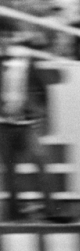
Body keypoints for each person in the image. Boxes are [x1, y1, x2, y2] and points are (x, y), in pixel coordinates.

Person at [0, 18, 62, 221]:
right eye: (3, 36)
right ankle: (14, 213)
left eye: (8, 36)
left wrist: (39, 112)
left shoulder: (26, 60)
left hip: (26, 124)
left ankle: (52, 211)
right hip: (4, 125)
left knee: (42, 162)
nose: (6, 40)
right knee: (10, 172)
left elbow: (42, 89)